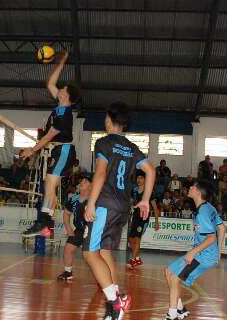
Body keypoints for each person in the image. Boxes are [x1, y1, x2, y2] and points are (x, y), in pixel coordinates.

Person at [82, 103, 156, 320]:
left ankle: (115, 301)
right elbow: (150, 170)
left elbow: (101, 173)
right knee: (104, 252)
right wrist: (145, 200)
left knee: (88, 253)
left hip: (105, 203)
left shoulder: (104, 143)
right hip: (123, 207)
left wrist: (91, 202)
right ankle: (116, 299)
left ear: (108, 120)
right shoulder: (132, 147)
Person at [21, 52, 81, 237]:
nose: (59, 89)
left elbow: (49, 136)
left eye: (63, 89)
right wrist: (61, 62)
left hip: (63, 150)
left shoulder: (64, 114)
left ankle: (44, 222)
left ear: (66, 95)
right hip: (57, 151)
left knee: (49, 187)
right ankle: (46, 222)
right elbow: (50, 83)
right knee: (49, 186)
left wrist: (32, 150)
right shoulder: (60, 106)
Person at [164, 181, 226, 320]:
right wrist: (219, 252)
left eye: (192, 187)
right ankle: (180, 309)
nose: (189, 188)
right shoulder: (209, 207)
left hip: (203, 255)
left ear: (197, 192)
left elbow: (211, 238)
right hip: (205, 253)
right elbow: (222, 228)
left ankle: (172, 314)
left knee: (175, 278)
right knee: (168, 271)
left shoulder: (202, 212)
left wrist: (193, 252)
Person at [57, 173, 92, 281]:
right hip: (79, 230)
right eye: (81, 181)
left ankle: (102, 279)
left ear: (91, 186)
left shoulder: (95, 200)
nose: (81, 183)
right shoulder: (73, 199)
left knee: (91, 256)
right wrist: (68, 228)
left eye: (85, 182)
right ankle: (68, 272)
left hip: (92, 230)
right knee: (68, 249)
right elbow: (66, 213)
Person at [127, 170, 160, 269]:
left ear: (146, 180)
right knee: (131, 239)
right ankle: (137, 258)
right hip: (135, 217)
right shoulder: (134, 190)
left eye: (141, 178)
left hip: (144, 218)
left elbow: (155, 208)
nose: (139, 180)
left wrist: (157, 222)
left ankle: (132, 260)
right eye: (138, 178)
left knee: (137, 238)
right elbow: (132, 203)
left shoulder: (149, 192)